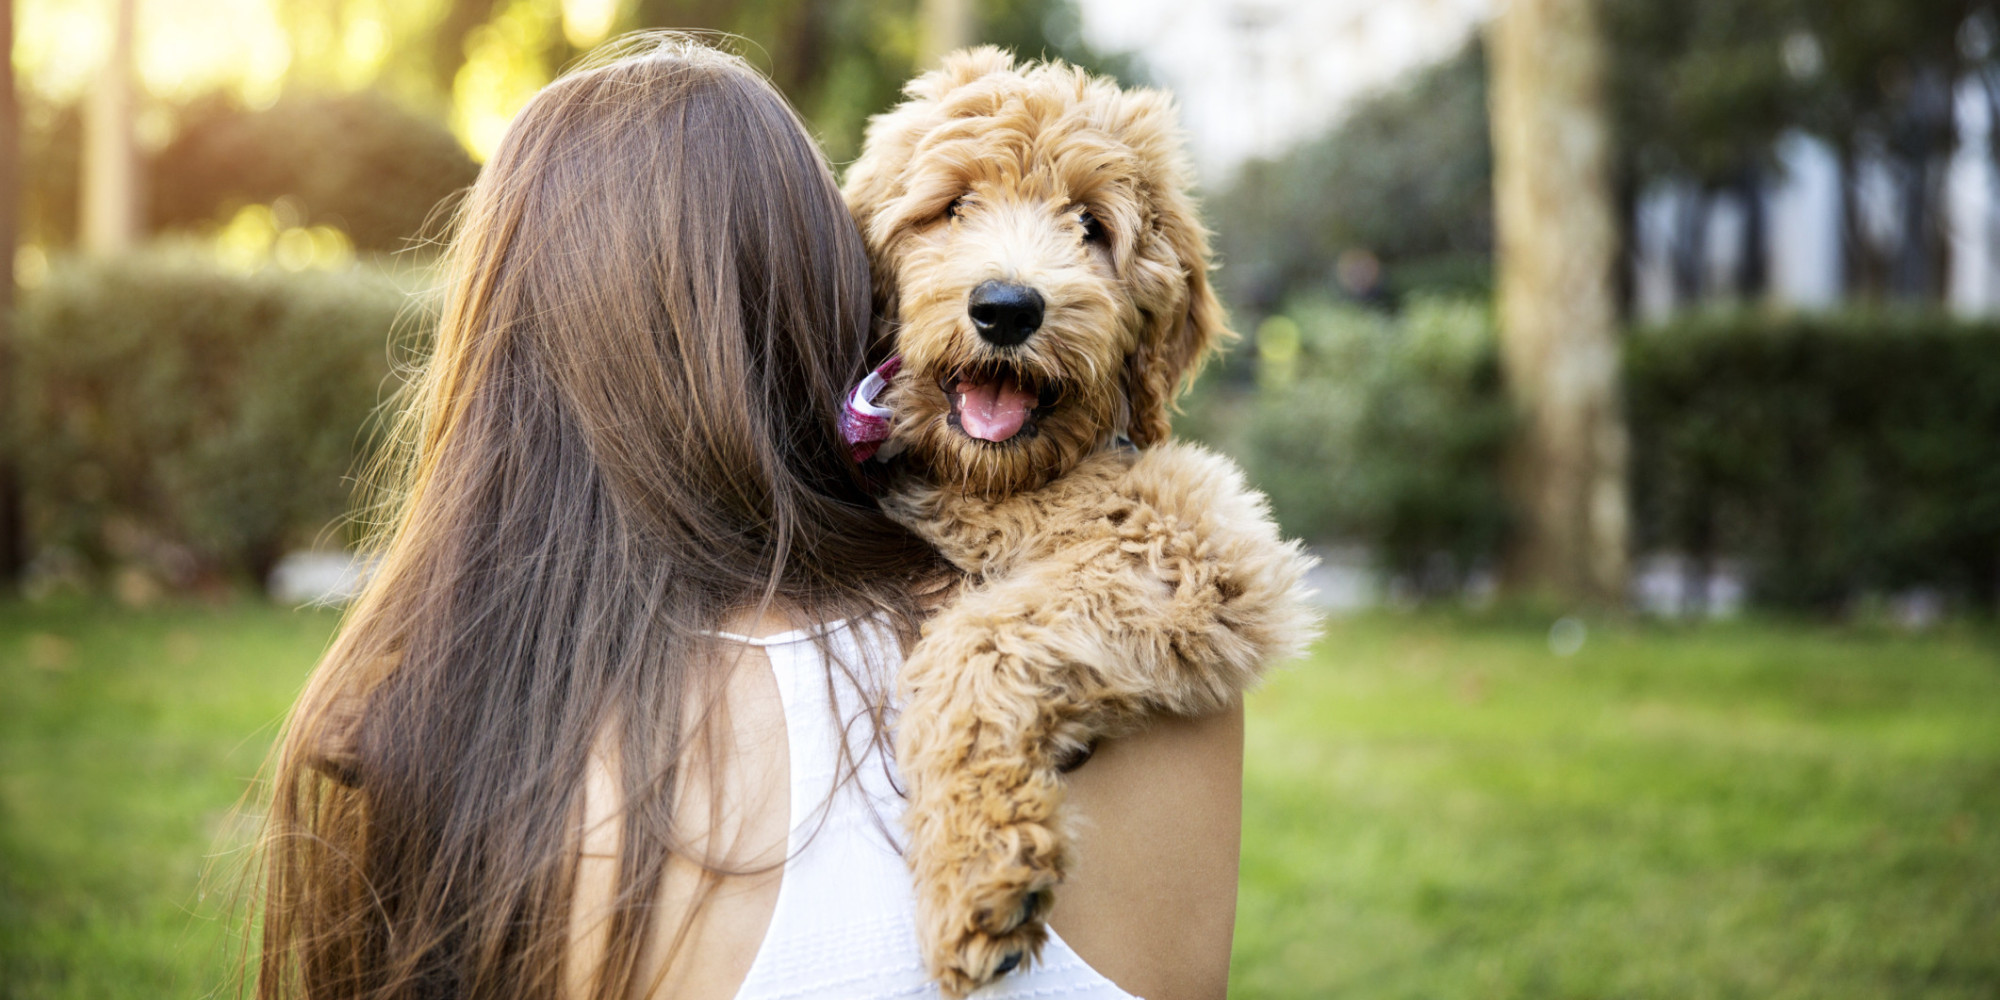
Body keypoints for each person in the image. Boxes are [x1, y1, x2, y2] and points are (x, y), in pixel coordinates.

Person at [257, 37, 1244, 1000]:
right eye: (948, 210)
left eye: (1089, 226)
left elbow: (1198, 575)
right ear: (839, 291)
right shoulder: (1162, 704)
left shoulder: (413, 734)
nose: (1010, 267)